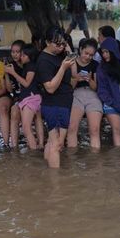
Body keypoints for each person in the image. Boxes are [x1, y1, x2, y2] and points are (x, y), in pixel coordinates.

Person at [37, 26, 76, 168]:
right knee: (57, 144)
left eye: (63, 43)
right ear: (47, 42)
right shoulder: (43, 60)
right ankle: (56, 184)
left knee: (52, 142)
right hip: (53, 103)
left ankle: (48, 173)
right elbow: (50, 88)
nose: (60, 47)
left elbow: (74, 74)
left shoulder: (60, 55)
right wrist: (62, 68)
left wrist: (70, 53)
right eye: (57, 44)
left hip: (65, 101)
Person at [6, 44, 46, 150]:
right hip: (29, 98)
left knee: (26, 127)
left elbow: (27, 83)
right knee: (35, 121)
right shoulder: (28, 66)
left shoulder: (31, 66)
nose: (21, 57)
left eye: (23, 55)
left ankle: (33, 151)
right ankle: (39, 146)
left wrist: (13, 73)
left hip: (30, 98)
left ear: (30, 56)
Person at [68, 38, 103, 149]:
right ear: (81, 49)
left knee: (94, 129)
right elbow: (70, 87)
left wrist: (90, 80)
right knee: (72, 128)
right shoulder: (71, 63)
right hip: (76, 95)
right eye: (86, 53)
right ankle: (72, 159)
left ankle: (95, 159)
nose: (88, 57)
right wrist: (76, 79)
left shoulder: (95, 65)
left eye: (91, 55)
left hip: (92, 95)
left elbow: (96, 87)